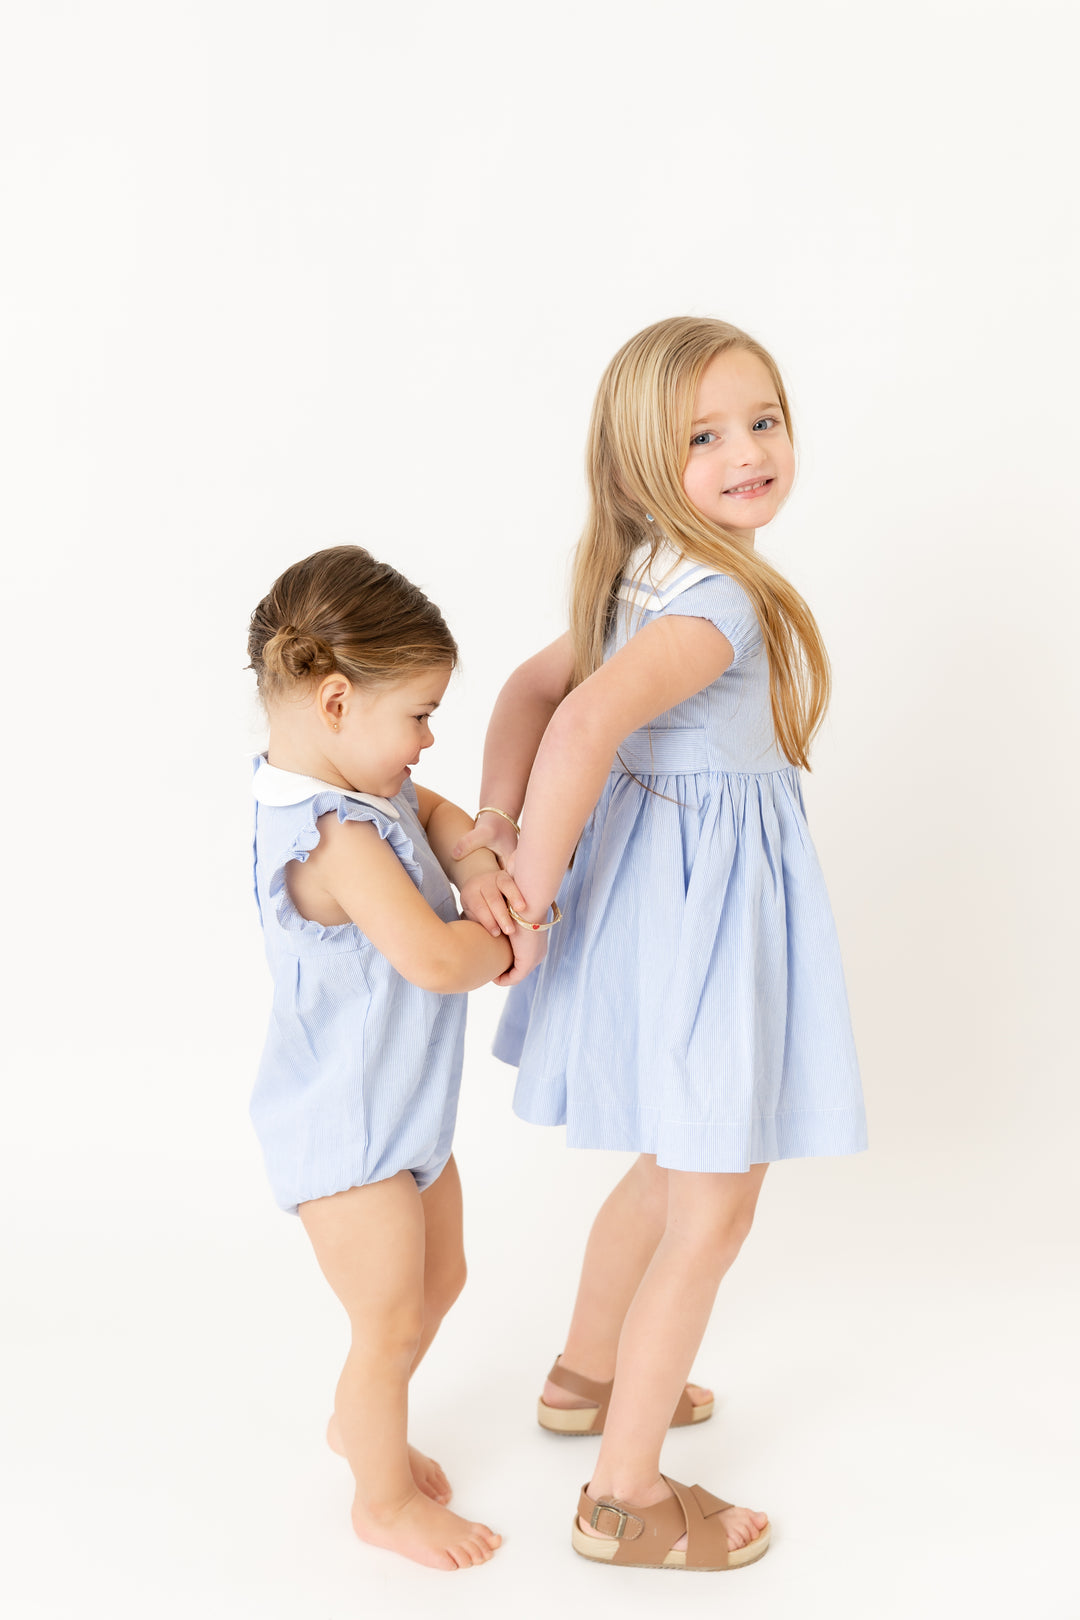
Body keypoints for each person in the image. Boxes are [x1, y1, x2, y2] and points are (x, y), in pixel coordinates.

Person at [453, 316, 868, 1572]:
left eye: (763, 421)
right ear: (641, 464)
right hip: (700, 914)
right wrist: (518, 888)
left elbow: (532, 697)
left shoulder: (645, 570)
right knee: (717, 1200)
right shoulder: (723, 595)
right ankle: (623, 1496)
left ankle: (587, 1375)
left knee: (669, 1157)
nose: (748, 453)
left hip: (661, 902)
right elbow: (574, 724)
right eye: (704, 438)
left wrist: (494, 827)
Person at [247, 545, 521, 1571]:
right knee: (391, 1317)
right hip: (348, 1131)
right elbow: (435, 958)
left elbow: (439, 814)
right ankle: (380, 1496)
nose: (429, 737)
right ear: (333, 702)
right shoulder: (329, 836)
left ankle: (367, 1419)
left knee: (441, 1277)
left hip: (404, 1114)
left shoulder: (369, 788)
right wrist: (513, 937)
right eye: (418, 714)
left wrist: (477, 856)